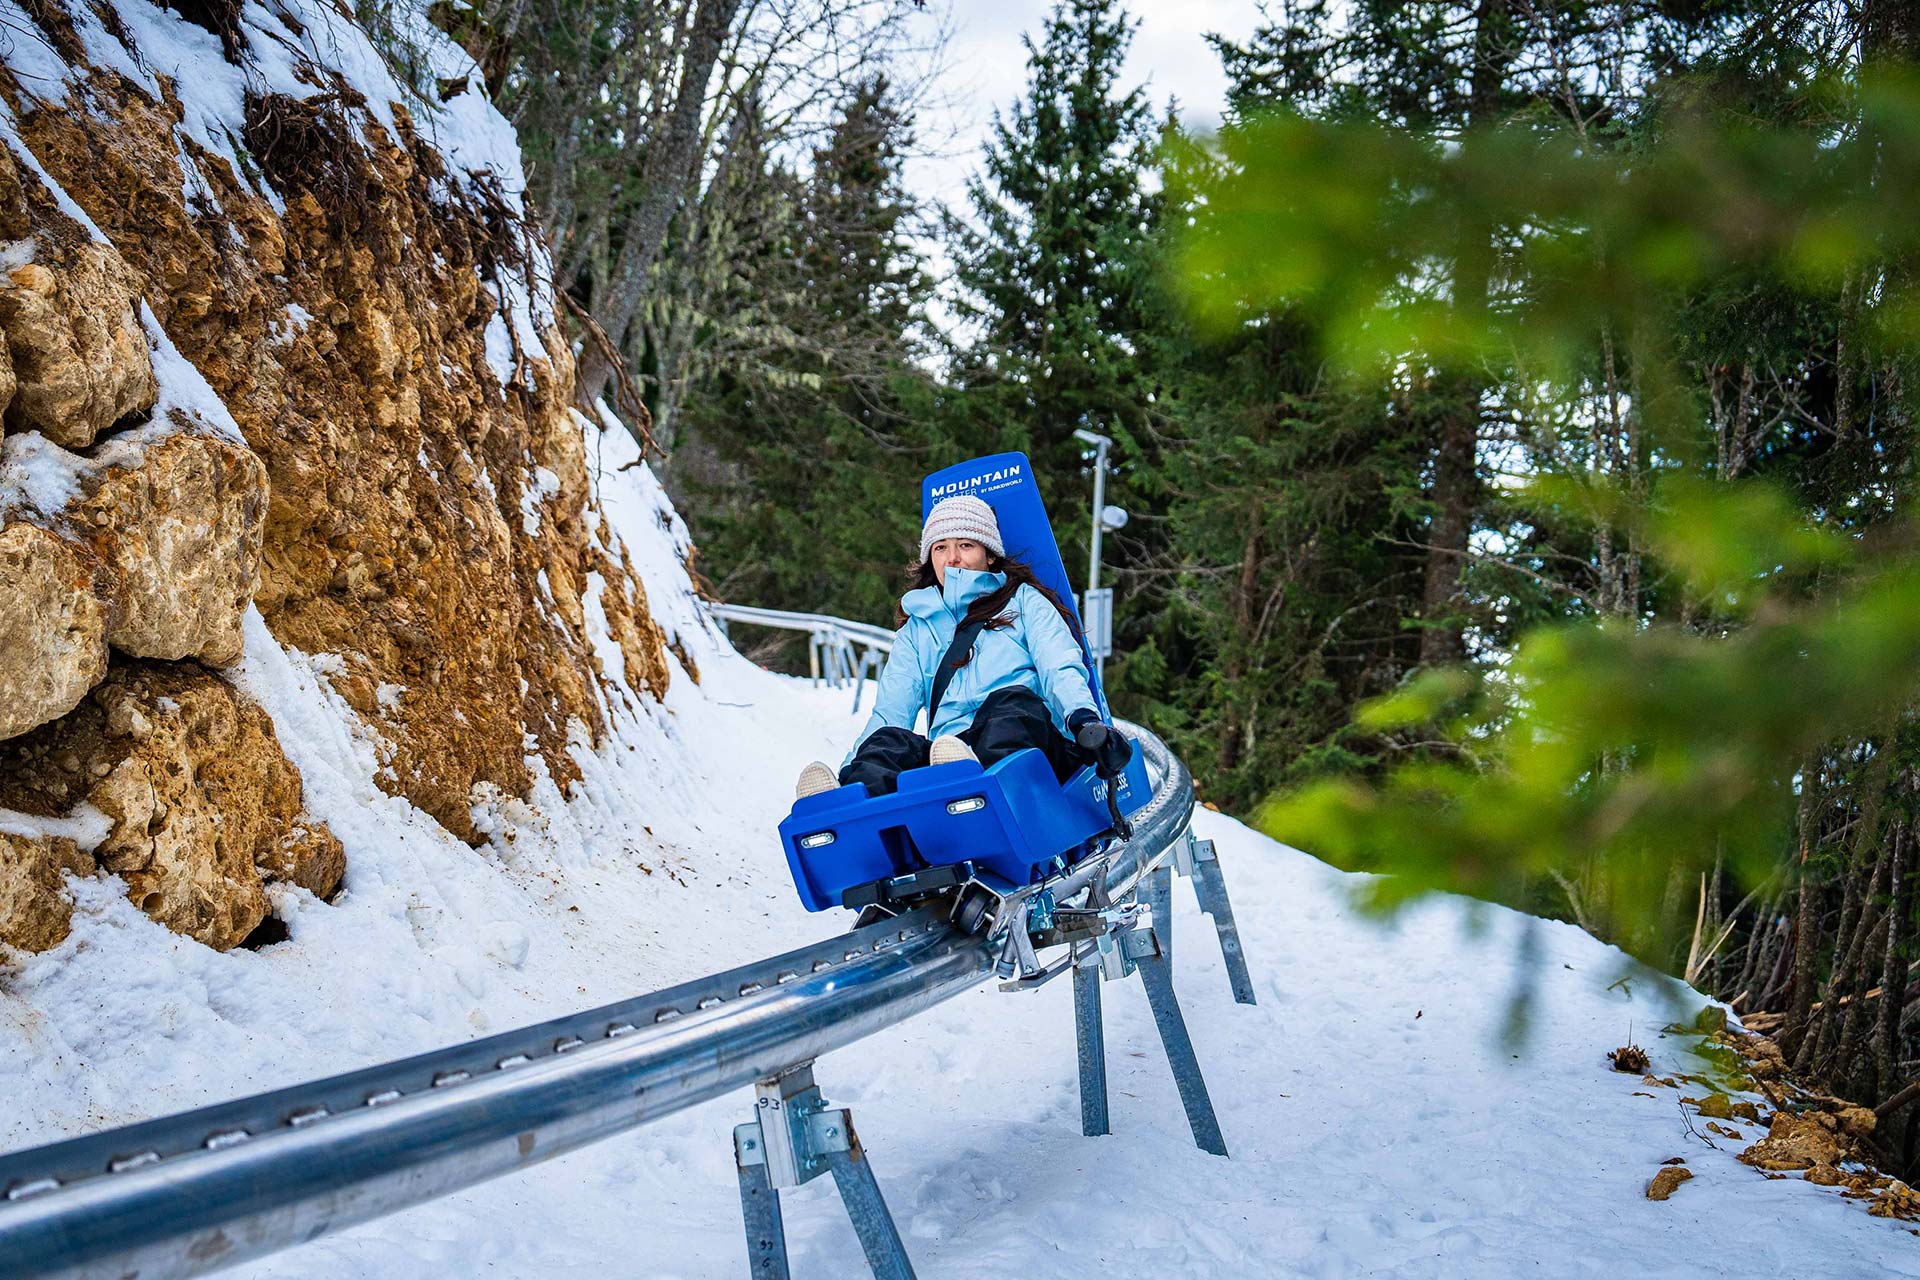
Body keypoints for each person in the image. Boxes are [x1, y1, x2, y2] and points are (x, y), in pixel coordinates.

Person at [795, 494, 1132, 799]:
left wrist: (1084, 720)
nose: (952, 558)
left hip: (1030, 749)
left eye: (966, 545)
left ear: (989, 555)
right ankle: (846, 800)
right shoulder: (917, 629)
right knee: (889, 740)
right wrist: (852, 765)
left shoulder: (1026, 602)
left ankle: (971, 783)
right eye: (940, 547)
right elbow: (890, 711)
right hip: (949, 754)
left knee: (1010, 704)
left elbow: (1059, 668)